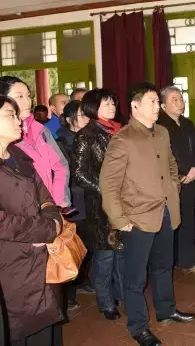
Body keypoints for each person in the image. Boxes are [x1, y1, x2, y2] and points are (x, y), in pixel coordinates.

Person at [100, 82, 195, 346]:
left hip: (166, 211)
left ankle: (166, 309)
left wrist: (174, 187)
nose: (156, 107)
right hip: (138, 218)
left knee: (164, 266)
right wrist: (120, 220)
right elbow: (108, 183)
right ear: (135, 106)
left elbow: (171, 163)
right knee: (135, 277)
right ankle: (138, 327)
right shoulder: (123, 139)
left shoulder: (162, 132)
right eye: (151, 102)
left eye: (156, 101)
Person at [0, 95, 64, 346]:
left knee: (43, 325)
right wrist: (44, 230)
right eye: (10, 115)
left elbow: (44, 195)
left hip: (38, 260)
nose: (19, 121)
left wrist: (53, 222)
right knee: (18, 328)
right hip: (10, 261)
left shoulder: (18, 155)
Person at [74, 89, 125, 321]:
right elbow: (80, 173)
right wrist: (106, 189)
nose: (112, 106)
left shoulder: (119, 130)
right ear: (92, 107)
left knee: (121, 252)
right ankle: (106, 302)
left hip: (124, 200)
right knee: (105, 255)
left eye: (113, 102)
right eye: (106, 103)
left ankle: (121, 294)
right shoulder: (86, 135)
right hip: (100, 204)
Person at [156, 86, 195, 276]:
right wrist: (178, 174)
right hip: (172, 181)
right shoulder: (159, 126)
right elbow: (163, 156)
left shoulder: (187, 124)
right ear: (163, 106)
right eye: (174, 100)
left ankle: (188, 258)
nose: (180, 103)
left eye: (181, 99)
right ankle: (174, 258)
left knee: (189, 219)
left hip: (191, 178)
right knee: (172, 221)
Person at [0, 76, 72, 212]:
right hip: (25, 213)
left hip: (51, 207)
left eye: (28, 95)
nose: (28, 101)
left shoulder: (40, 130)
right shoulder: (7, 138)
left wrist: (58, 202)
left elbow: (60, 165)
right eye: (19, 96)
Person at [55, 100, 91, 313]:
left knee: (87, 246)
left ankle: (83, 282)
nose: (87, 118)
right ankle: (68, 295)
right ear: (69, 119)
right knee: (72, 247)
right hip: (74, 201)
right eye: (82, 115)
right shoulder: (62, 142)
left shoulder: (90, 137)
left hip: (89, 199)